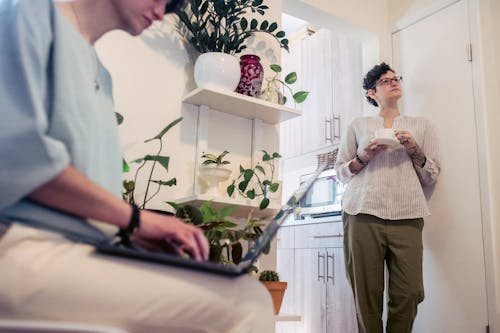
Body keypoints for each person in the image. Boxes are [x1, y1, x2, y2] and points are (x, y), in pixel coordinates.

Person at [0, 1, 274, 332]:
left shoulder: (101, 74)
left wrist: (132, 235)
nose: (162, 12)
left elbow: (86, 193)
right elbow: (21, 160)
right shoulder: (27, 13)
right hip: (20, 247)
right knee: (244, 302)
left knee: (231, 290)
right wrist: (136, 220)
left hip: (84, 250)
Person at [334, 62, 441, 333]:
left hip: (408, 215)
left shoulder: (421, 126)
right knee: (366, 295)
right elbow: (341, 173)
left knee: (410, 293)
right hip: (362, 213)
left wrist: (413, 148)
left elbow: (431, 175)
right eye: (385, 80)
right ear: (372, 93)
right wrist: (364, 156)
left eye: (396, 78)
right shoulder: (358, 125)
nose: (394, 82)